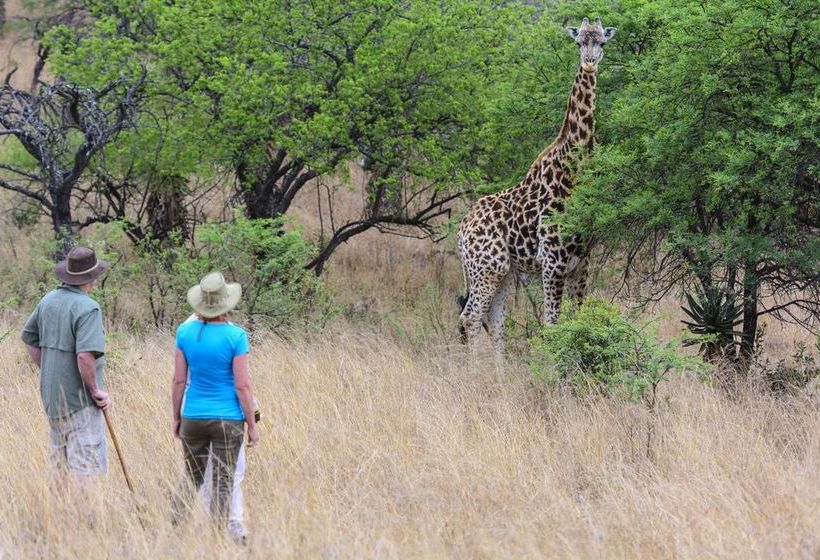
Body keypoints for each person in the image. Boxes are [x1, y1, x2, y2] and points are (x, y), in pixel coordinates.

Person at [21, 246, 112, 513]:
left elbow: (29, 339)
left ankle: (58, 519)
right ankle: (84, 521)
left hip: (52, 397)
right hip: (80, 400)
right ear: (91, 278)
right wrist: (96, 390)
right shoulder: (88, 307)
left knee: (60, 461)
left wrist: (49, 367)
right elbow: (85, 356)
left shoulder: (48, 299)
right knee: (83, 464)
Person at [171, 271, 260, 541]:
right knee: (224, 481)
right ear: (226, 304)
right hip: (228, 419)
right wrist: (252, 426)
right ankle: (218, 539)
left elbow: (178, 380)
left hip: (193, 415)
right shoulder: (237, 336)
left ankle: (175, 529)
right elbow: (242, 386)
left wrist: (176, 417)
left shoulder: (184, 332)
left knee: (192, 476)